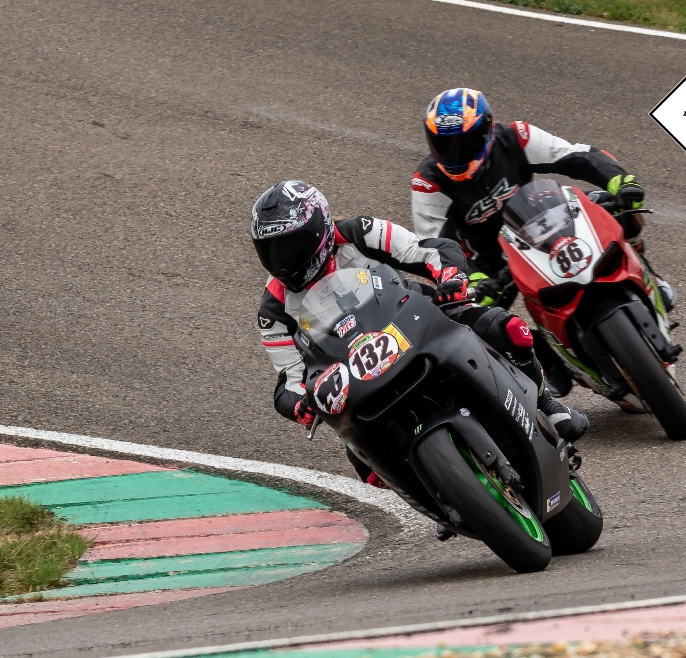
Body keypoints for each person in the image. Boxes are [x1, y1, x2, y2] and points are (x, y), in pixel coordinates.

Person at [252, 179, 588, 493]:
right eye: (271, 252)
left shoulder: (358, 232)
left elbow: (426, 250)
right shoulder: (273, 310)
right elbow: (289, 380)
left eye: (291, 247)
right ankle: (441, 496)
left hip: (411, 317)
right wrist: (300, 405)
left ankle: (547, 405)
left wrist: (451, 277)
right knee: (369, 470)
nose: (283, 262)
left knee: (507, 329)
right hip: (353, 372)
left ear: (319, 230)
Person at [410, 87, 677, 316]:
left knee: (619, 206)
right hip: (490, 265)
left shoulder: (516, 137)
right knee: (470, 316)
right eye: (443, 146)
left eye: (465, 143)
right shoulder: (428, 182)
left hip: (543, 223)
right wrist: (469, 281)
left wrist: (621, 180)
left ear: (486, 131)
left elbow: (575, 156)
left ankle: (647, 274)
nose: (455, 155)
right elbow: (434, 247)